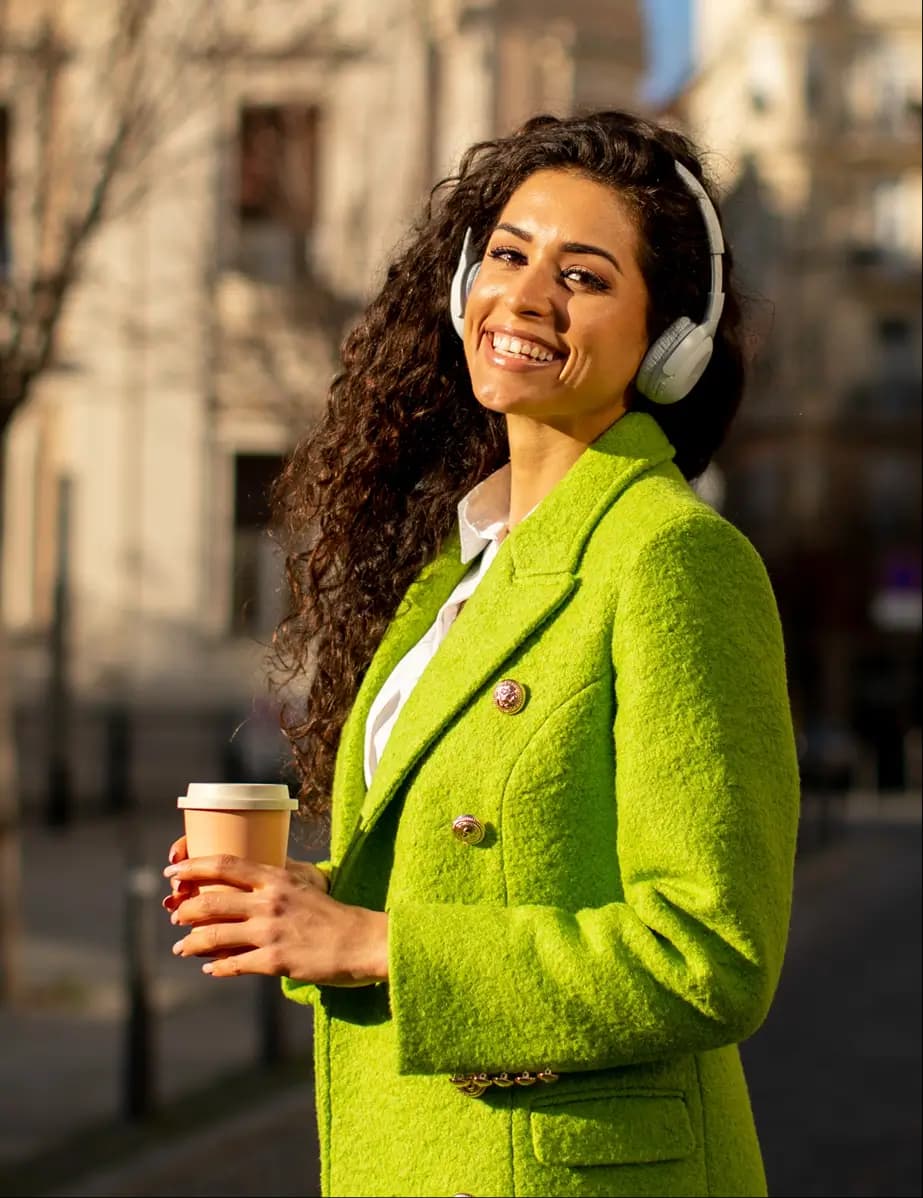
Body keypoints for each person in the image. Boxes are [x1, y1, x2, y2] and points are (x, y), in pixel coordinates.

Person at [163, 110, 800, 1198]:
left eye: (584, 277)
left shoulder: (672, 558)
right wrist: (304, 908)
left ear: (669, 343)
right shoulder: (454, 573)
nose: (528, 296)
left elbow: (711, 954)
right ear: (463, 286)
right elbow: (463, 884)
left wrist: (373, 944)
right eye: (506, 255)